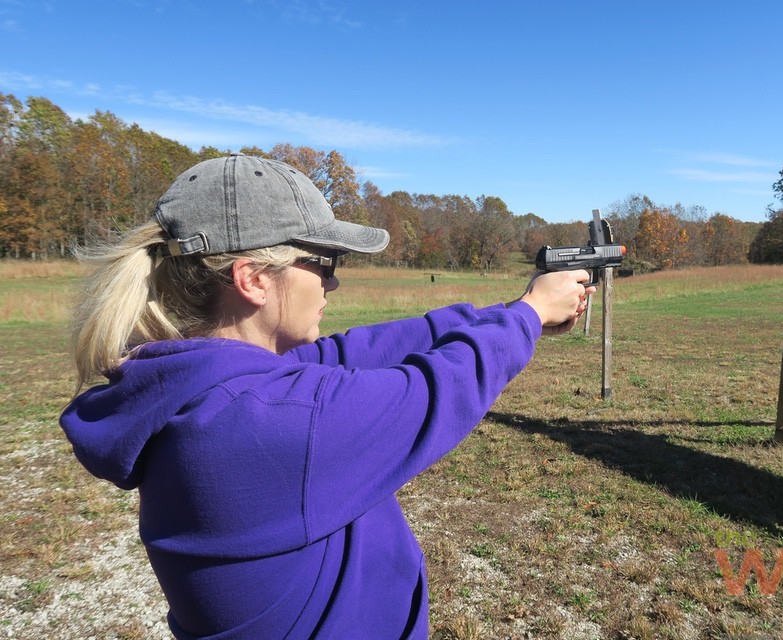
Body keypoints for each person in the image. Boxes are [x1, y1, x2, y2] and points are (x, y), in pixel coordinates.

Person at [60, 153, 594, 639]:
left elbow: (358, 350)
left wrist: (510, 311)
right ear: (253, 280)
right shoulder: (265, 420)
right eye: (323, 264)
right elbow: (436, 390)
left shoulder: (203, 387)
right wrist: (527, 316)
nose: (332, 285)